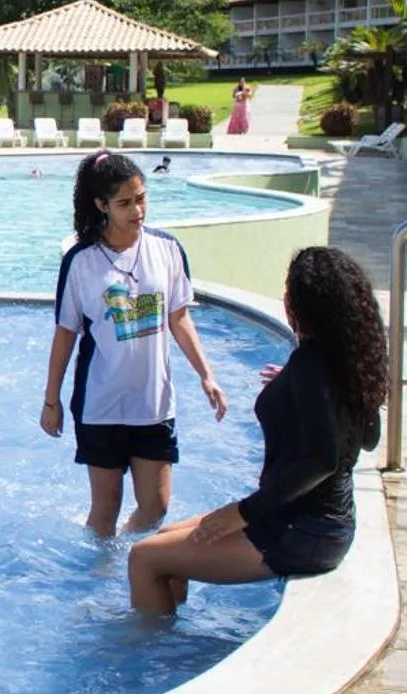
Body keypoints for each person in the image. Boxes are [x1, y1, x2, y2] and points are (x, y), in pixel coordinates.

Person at [128, 247, 387, 613]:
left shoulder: (311, 365)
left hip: (303, 530)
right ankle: (164, 637)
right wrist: (299, 390)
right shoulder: (339, 366)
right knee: (164, 540)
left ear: (300, 305)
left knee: (144, 558)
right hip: (320, 521)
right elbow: (367, 437)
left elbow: (322, 459)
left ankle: (148, 654)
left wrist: (243, 512)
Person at [40, 151, 227, 536]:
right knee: (105, 511)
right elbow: (65, 334)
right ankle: (98, 582)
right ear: (101, 205)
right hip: (101, 404)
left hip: (153, 403)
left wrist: (207, 376)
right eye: (125, 203)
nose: (137, 210)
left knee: (156, 508)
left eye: (141, 198)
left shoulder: (167, 250)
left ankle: (132, 558)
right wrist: (51, 401)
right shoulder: (81, 261)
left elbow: (179, 317)